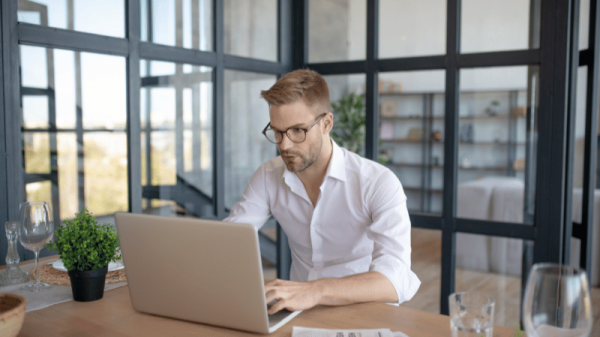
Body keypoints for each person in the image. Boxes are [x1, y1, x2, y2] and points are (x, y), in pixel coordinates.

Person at [224, 69, 420, 315]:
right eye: (277, 131)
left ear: (327, 123)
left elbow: (395, 279)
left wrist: (316, 290)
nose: (284, 145)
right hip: (298, 312)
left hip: (364, 314)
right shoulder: (267, 176)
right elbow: (228, 242)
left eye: (297, 131)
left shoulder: (377, 182)